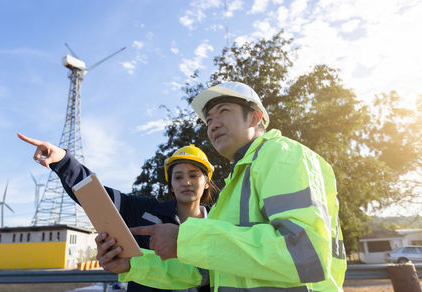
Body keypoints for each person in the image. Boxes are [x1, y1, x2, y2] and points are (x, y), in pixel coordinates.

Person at [96, 82, 347, 291]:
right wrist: (132, 265)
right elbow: (205, 269)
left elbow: (305, 252)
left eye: (223, 111)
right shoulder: (234, 186)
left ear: (256, 117)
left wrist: (185, 240)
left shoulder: (282, 155)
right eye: (208, 121)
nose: (213, 125)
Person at [18, 133, 215, 292]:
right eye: (178, 177)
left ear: (206, 181)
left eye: (194, 175)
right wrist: (63, 161)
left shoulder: (220, 225)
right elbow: (94, 196)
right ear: (171, 184)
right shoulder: (145, 211)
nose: (186, 182)